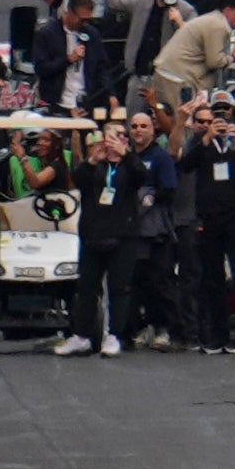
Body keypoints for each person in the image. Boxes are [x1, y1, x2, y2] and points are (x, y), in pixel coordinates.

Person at [58, 122, 139, 356]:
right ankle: (81, 335)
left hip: (123, 233)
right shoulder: (96, 166)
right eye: (112, 136)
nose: (117, 140)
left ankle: (114, 335)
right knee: (86, 287)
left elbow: (142, 177)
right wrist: (93, 159)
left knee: (119, 287)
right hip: (93, 233)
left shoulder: (130, 165)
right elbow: (77, 179)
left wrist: (126, 155)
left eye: (122, 135)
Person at [182, 95, 235, 353]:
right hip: (210, 218)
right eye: (217, 111)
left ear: (233, 112)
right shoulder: (201, 143)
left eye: (226, 110)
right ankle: (218, 334)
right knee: (212, 277)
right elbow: (185, 166)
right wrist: (206, 139)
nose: (222, 115)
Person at [125, 110, 185, 350]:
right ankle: (147, 327)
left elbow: (170, 190)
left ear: (153, 130)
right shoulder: (127, 156)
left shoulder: (160, 157)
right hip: (133, 229)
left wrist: (149, 196)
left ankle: (174, 332)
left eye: (144, 126)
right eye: (134, 126)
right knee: (138, 282)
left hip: (156, 229)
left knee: (162, 281)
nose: (138, 130)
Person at [151, 0, 235, 112]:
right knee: (183, 119)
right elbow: (214, 61)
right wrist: (234, 56)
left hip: (170, 75)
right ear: (228, 11)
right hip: (177, 79)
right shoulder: (218, 25)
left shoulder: (210, 19)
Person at [124, 0, 196, 96]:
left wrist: (180, 22)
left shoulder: (186, 10)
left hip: (168, 80)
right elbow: (114, 2)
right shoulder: (143, 2)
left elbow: (195, 41)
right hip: (140, 77)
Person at [34, 0, 100, 114]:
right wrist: (68, 59)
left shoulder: (92, 33)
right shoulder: (47, 34)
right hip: (57, 103)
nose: (84, 23)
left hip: (85, 102)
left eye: (88, 19)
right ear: (70, 12)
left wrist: (111, 94)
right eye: (81, 19)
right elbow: (41, 68)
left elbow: (101, 65)